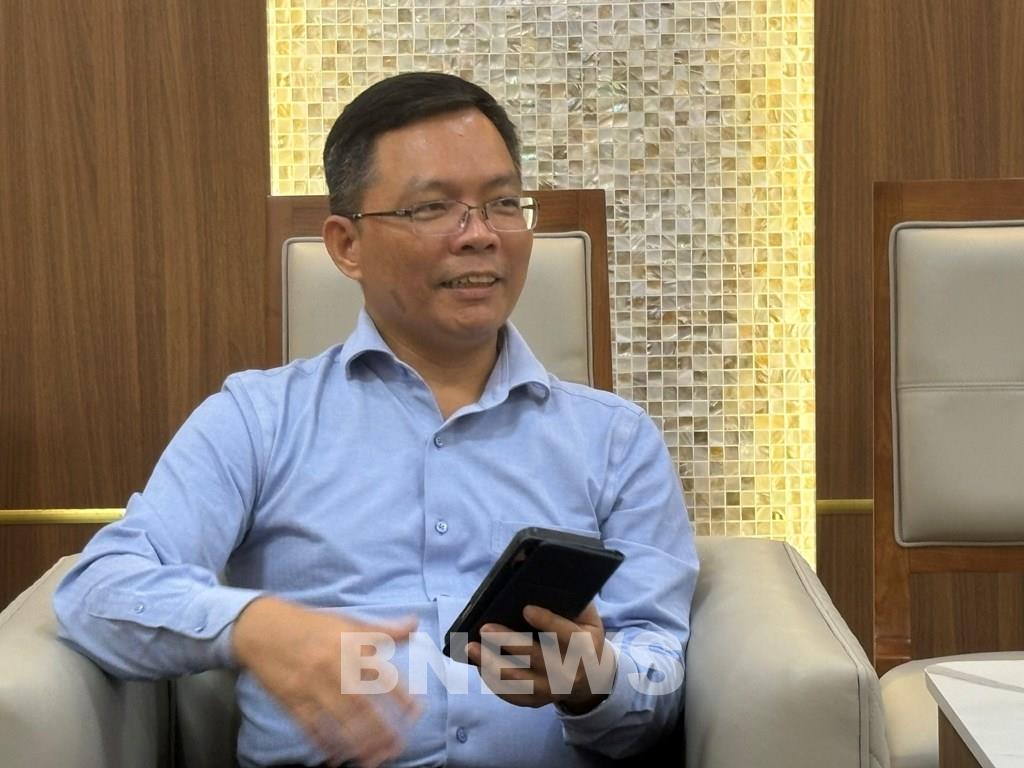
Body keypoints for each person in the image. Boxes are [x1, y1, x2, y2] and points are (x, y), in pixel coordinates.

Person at [54, 72, 699, 768]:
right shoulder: (257, 420)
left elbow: (660, 672)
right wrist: (253, 625)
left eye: (503, 203)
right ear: (347, 245)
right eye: (432, 208)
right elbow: (98, 590)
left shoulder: (616, 439)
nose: (479, 235)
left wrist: (593, 682)